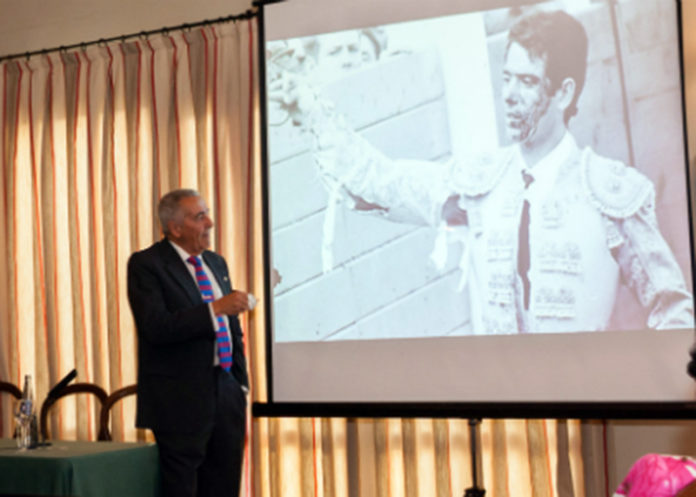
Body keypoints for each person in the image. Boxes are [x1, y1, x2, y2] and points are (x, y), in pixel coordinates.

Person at [275, 9, 693, 334]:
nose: (508, 95)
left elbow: (673, 308)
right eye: (506, 78)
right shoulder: (482, 183)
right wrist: (312, 112)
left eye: (527, 82)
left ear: (564, 92)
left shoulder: (610, 191)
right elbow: (384, 183)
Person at [127, 189, 252, 497]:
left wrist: (240, 384)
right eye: (199, 217)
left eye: (207, 213)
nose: (209, 222)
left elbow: (233, 329)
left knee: (224, 486)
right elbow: (156, 327)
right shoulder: (147, 264)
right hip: (178, 400)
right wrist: (216, 308)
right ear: (175, 228)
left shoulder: (215, 263)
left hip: (225, 393)